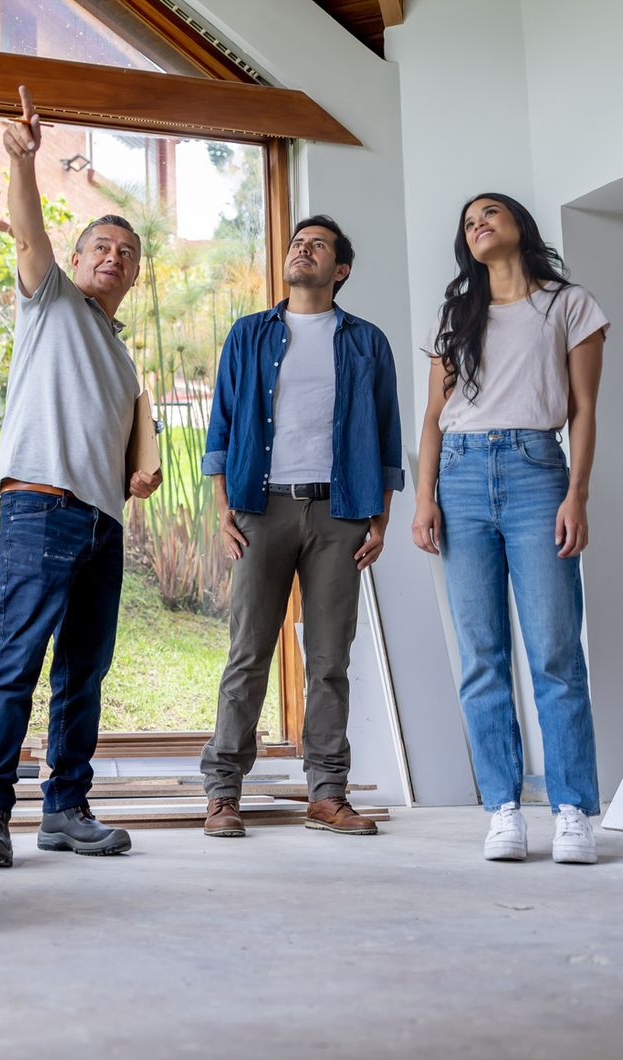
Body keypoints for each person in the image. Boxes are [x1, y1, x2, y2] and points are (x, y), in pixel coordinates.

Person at [0, 87, 162, 869]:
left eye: (127, 254)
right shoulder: (49, 303)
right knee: (16, 661)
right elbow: (27, 231)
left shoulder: (120, 354)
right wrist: (23, 161)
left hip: (100, 523)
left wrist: (142, 471)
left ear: (133, 276)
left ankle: (66, 810)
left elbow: (135, 439)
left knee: (84, 674)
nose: (113, 257)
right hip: (40, 507)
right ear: (77, 262)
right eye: (101, 247)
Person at [411, 193, 608, 865]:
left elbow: (583, 410)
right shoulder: (455, 316)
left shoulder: (568, 305)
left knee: (554, 652)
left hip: (535, 473)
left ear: (518, 223)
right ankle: (502, 809)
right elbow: (434, 417)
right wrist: (423, 498)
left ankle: (574, 808)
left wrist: (576, 494)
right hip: (461, 480)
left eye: (489, 213)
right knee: (482, 657)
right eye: (467, 221)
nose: (477, 224)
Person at [197, 216, 403, 839]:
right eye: (296, 242)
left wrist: (381, 517)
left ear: (339, 270)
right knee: (248, 653)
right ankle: (224, 793)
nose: (301, 250)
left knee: (330, 658)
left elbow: (388, 430)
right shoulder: (250, 334)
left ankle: (327, 793)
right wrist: (222, 508)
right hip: (262, 506)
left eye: (317, 246)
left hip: (341, 512)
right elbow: (223, 422)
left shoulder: (367, 342)